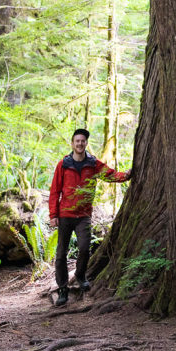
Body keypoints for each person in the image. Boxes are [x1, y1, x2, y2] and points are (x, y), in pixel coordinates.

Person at [49, 128, 132, 306]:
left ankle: (80, 274)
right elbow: (55, 191)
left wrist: (125, 176)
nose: (80, 144)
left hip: (84, 215)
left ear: (86, 143)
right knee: (61, 253)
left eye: (83, 141)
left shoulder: (93, 164)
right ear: (72, 143)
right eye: (77, 141)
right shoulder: (63, 164)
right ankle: (63, 288)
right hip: (65, 215)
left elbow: (109, 175)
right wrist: (53, 215)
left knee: (85, 248)